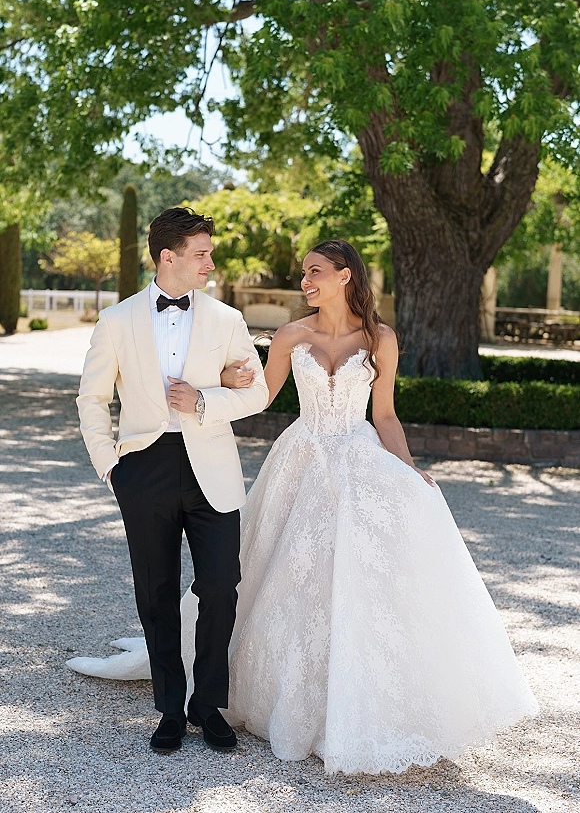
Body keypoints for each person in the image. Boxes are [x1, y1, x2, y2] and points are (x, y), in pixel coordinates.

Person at [70, 239, 538, 774]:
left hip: (359, 456)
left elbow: (384, 415)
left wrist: (408, 470)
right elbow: (261, 396)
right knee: (287, 572)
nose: (305, 282)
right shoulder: (291, 334)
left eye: (314, 272)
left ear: (345, 275)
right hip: (302, 456)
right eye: (303, 274)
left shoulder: (382, 338)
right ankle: (215, 697)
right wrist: (214, 388)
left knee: (360, 576)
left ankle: (354, 696)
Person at [75, 206, 268, 754]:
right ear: (169, 256)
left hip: (214, 472)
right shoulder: (116, 321)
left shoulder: (228, 320)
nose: (210, 262)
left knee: (221, 588)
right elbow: (92, 399)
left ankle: (208, 707)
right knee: (156, 593)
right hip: (144, 470)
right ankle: (168, 708)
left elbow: (255, 393)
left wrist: (207, 398)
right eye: (201, 253)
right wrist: (110, 465)